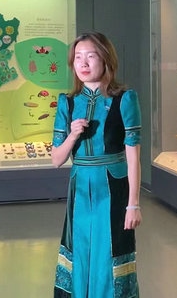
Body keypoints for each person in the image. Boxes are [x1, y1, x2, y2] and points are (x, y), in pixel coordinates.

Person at [52, 32, 142, 298]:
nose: (83, 63)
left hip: (113, 187)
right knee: (79, 249)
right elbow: (57, 159)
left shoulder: (125, 99)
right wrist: (72, 135)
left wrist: (133, 204)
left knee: (110, 251)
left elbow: (133, 156)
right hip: (79, 187)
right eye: (78, 57)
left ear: (105, 60)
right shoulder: (67, 103)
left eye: (90, 56)